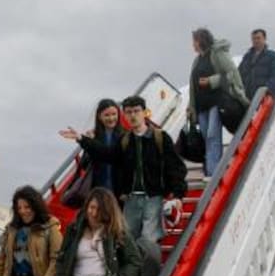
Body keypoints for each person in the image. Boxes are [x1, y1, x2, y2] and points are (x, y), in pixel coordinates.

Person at [59, 95, 188, 245]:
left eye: (136, 111)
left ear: (144, 112)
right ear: (124, 115)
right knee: (128, 241)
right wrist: (82, 139)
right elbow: (107, 155)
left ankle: (148, 267)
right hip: (130, 199)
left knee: (149, 240)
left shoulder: (160, 137)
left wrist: (178, 194)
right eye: (129, 112)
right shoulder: (125, 141)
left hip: (153, 197)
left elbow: (176, 167)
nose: (133, 115)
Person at [187, 28, 250, 177]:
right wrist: (191, 106)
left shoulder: (217, 53)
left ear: (201, 40)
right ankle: (211, 170)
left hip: (216, 102)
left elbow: (231, 73)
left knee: (212, 136)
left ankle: (213, 174)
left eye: (194, 41)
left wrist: (211, 81)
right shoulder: (197, 60)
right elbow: (193, 86)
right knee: (206, 138)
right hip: (201, 105)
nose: (193, 45)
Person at [85, 98, 122, 193]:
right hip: (98, 188)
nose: (111, 118)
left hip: (119, 189)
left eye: (114, 114)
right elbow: (85, 164)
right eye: (107, 115)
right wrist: (90, 143)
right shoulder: (94, 136)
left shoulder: (124, 135)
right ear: (99, 116)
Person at [238, 28, 275, 98]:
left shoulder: (273, 56)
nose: (256, 41)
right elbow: (239, 75)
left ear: (264, 39)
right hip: (248, 98)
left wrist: (265, 90)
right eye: (253, 39)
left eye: (258, 38)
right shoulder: (246, 57)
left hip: (265, 99)